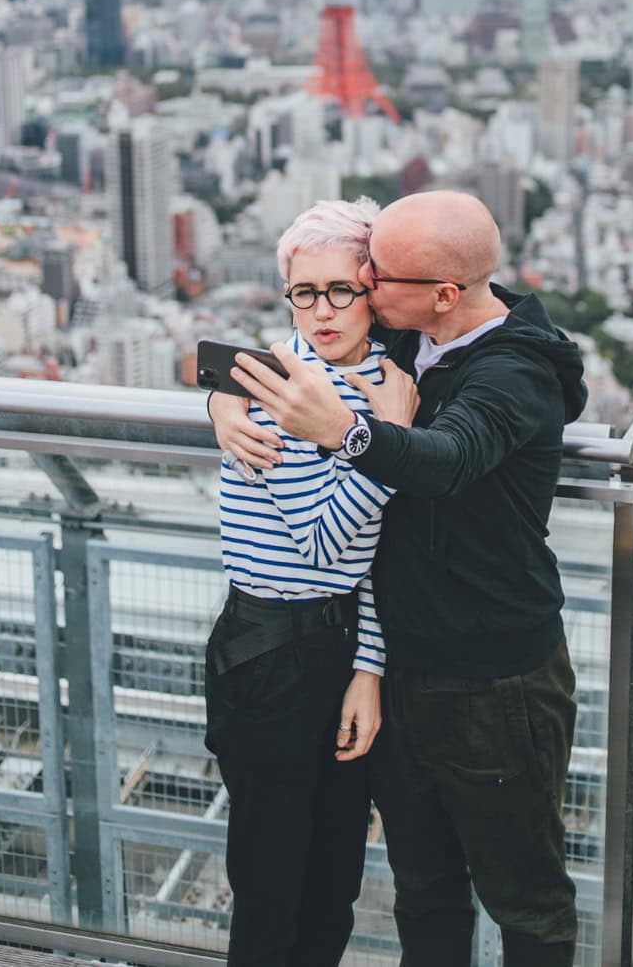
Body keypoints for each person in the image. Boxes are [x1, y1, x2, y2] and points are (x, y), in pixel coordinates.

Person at [214, 189, 587, 967]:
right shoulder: (402, 344)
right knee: (408, 887)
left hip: (492, 676)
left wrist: (353, 432)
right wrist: (223, 394)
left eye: (372, 280)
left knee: (521, 899)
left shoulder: (500, 373)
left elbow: (443, 462)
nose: (362, 289)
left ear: (441, 296)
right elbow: (287, 337)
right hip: (372, 661)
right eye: (364, 275)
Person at [204, 196, 418, 967]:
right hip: (269, 652)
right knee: (270, 887)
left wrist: (370, 665)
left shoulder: (389, 374)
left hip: (339, 645)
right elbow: (329, 547)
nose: (322, 311)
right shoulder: (277, 386)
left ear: (372, 289)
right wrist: (387, 444)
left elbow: (380, 562)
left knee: (334, 881)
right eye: (304, 292)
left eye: (341, 290)